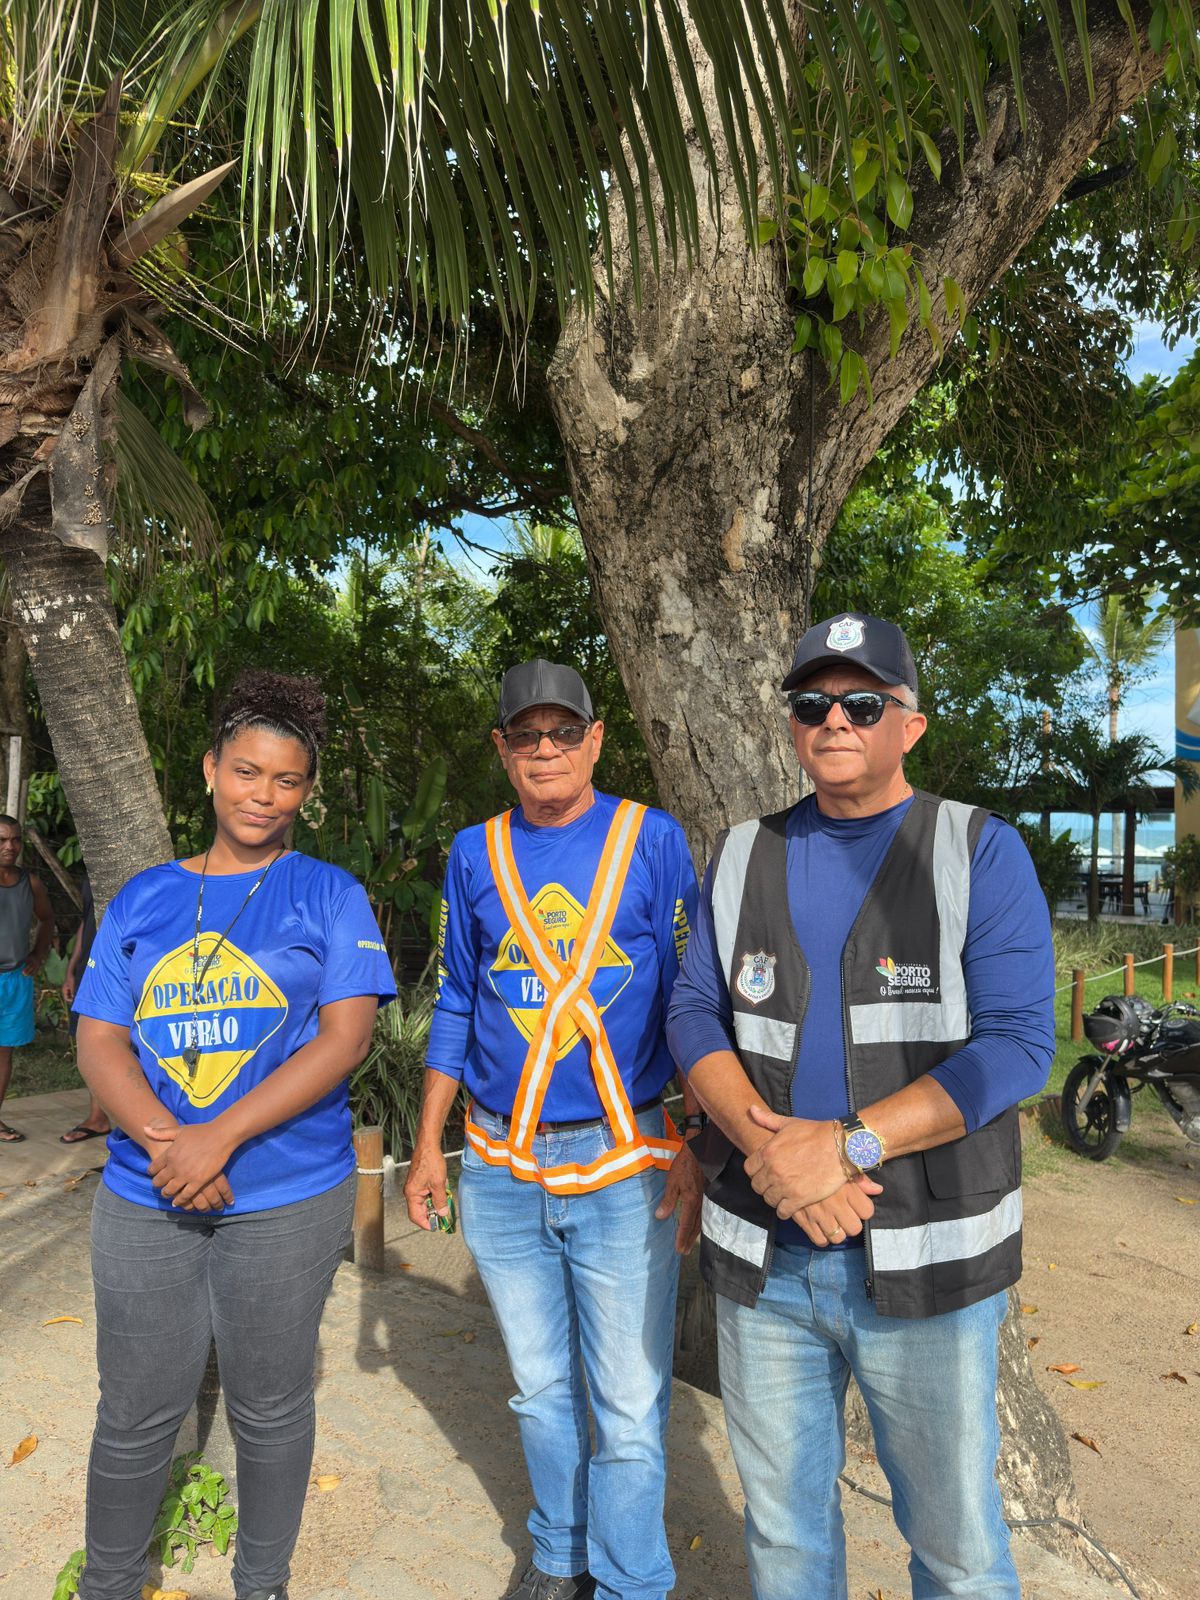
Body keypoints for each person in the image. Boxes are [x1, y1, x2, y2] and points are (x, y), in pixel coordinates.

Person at [666, 613, 1056, 1600]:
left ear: (909, 725)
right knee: (785, 1541)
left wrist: (847, 1147)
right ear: (793, 725)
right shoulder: (742, 853)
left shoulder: (978, 851)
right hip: (767, 1260)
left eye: (863, 703)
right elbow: (692, 1009)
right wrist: (773, 1154)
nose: (835, 719)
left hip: (927, 1265)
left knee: (958, 1553)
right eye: (813, 703)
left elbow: (1019, 1045)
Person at [73, 670, 395, 1600]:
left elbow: (345, 1039)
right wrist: (168, 1142)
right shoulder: (143, 898)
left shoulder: (329, 894)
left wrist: (217, 1139)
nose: (264, 795)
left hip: (287, 1195)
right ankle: (106, 1584)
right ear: (212, 770)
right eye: (247, 772)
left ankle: (263, 1585)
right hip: (146, 1194)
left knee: (269, 1404)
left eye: (287, 781)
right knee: (135, 1408)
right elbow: (98, 1039)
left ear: (306, 792)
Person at [405, 659, 704, 1600]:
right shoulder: (474, 853)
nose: (546, 750)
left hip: (625, 1159)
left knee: (628, 1399)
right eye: (526, 734)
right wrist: (428, 1145)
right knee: (538, 1388)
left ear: (595, 739)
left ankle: (632, 1580)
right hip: (500, 1162)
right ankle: (559, 1553)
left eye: (563, 731)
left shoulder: (652, 840)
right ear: (502, 748)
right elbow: (458, 999)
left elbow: (692, 1000)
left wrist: (697, 1140)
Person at [0, 812, 55, 1142]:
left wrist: (37, 954)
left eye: (16, 840)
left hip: (15, 980)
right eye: (2, 840)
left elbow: (47, 919)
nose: (10, 846)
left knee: (4, 1053)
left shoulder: (29, 882)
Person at [61, 870, 110, 1144]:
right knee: (90, 1039)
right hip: (89, 966)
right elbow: (86, 920)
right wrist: (71, 968)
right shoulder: (93, 867)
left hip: (123, 962)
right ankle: (97, 1117)